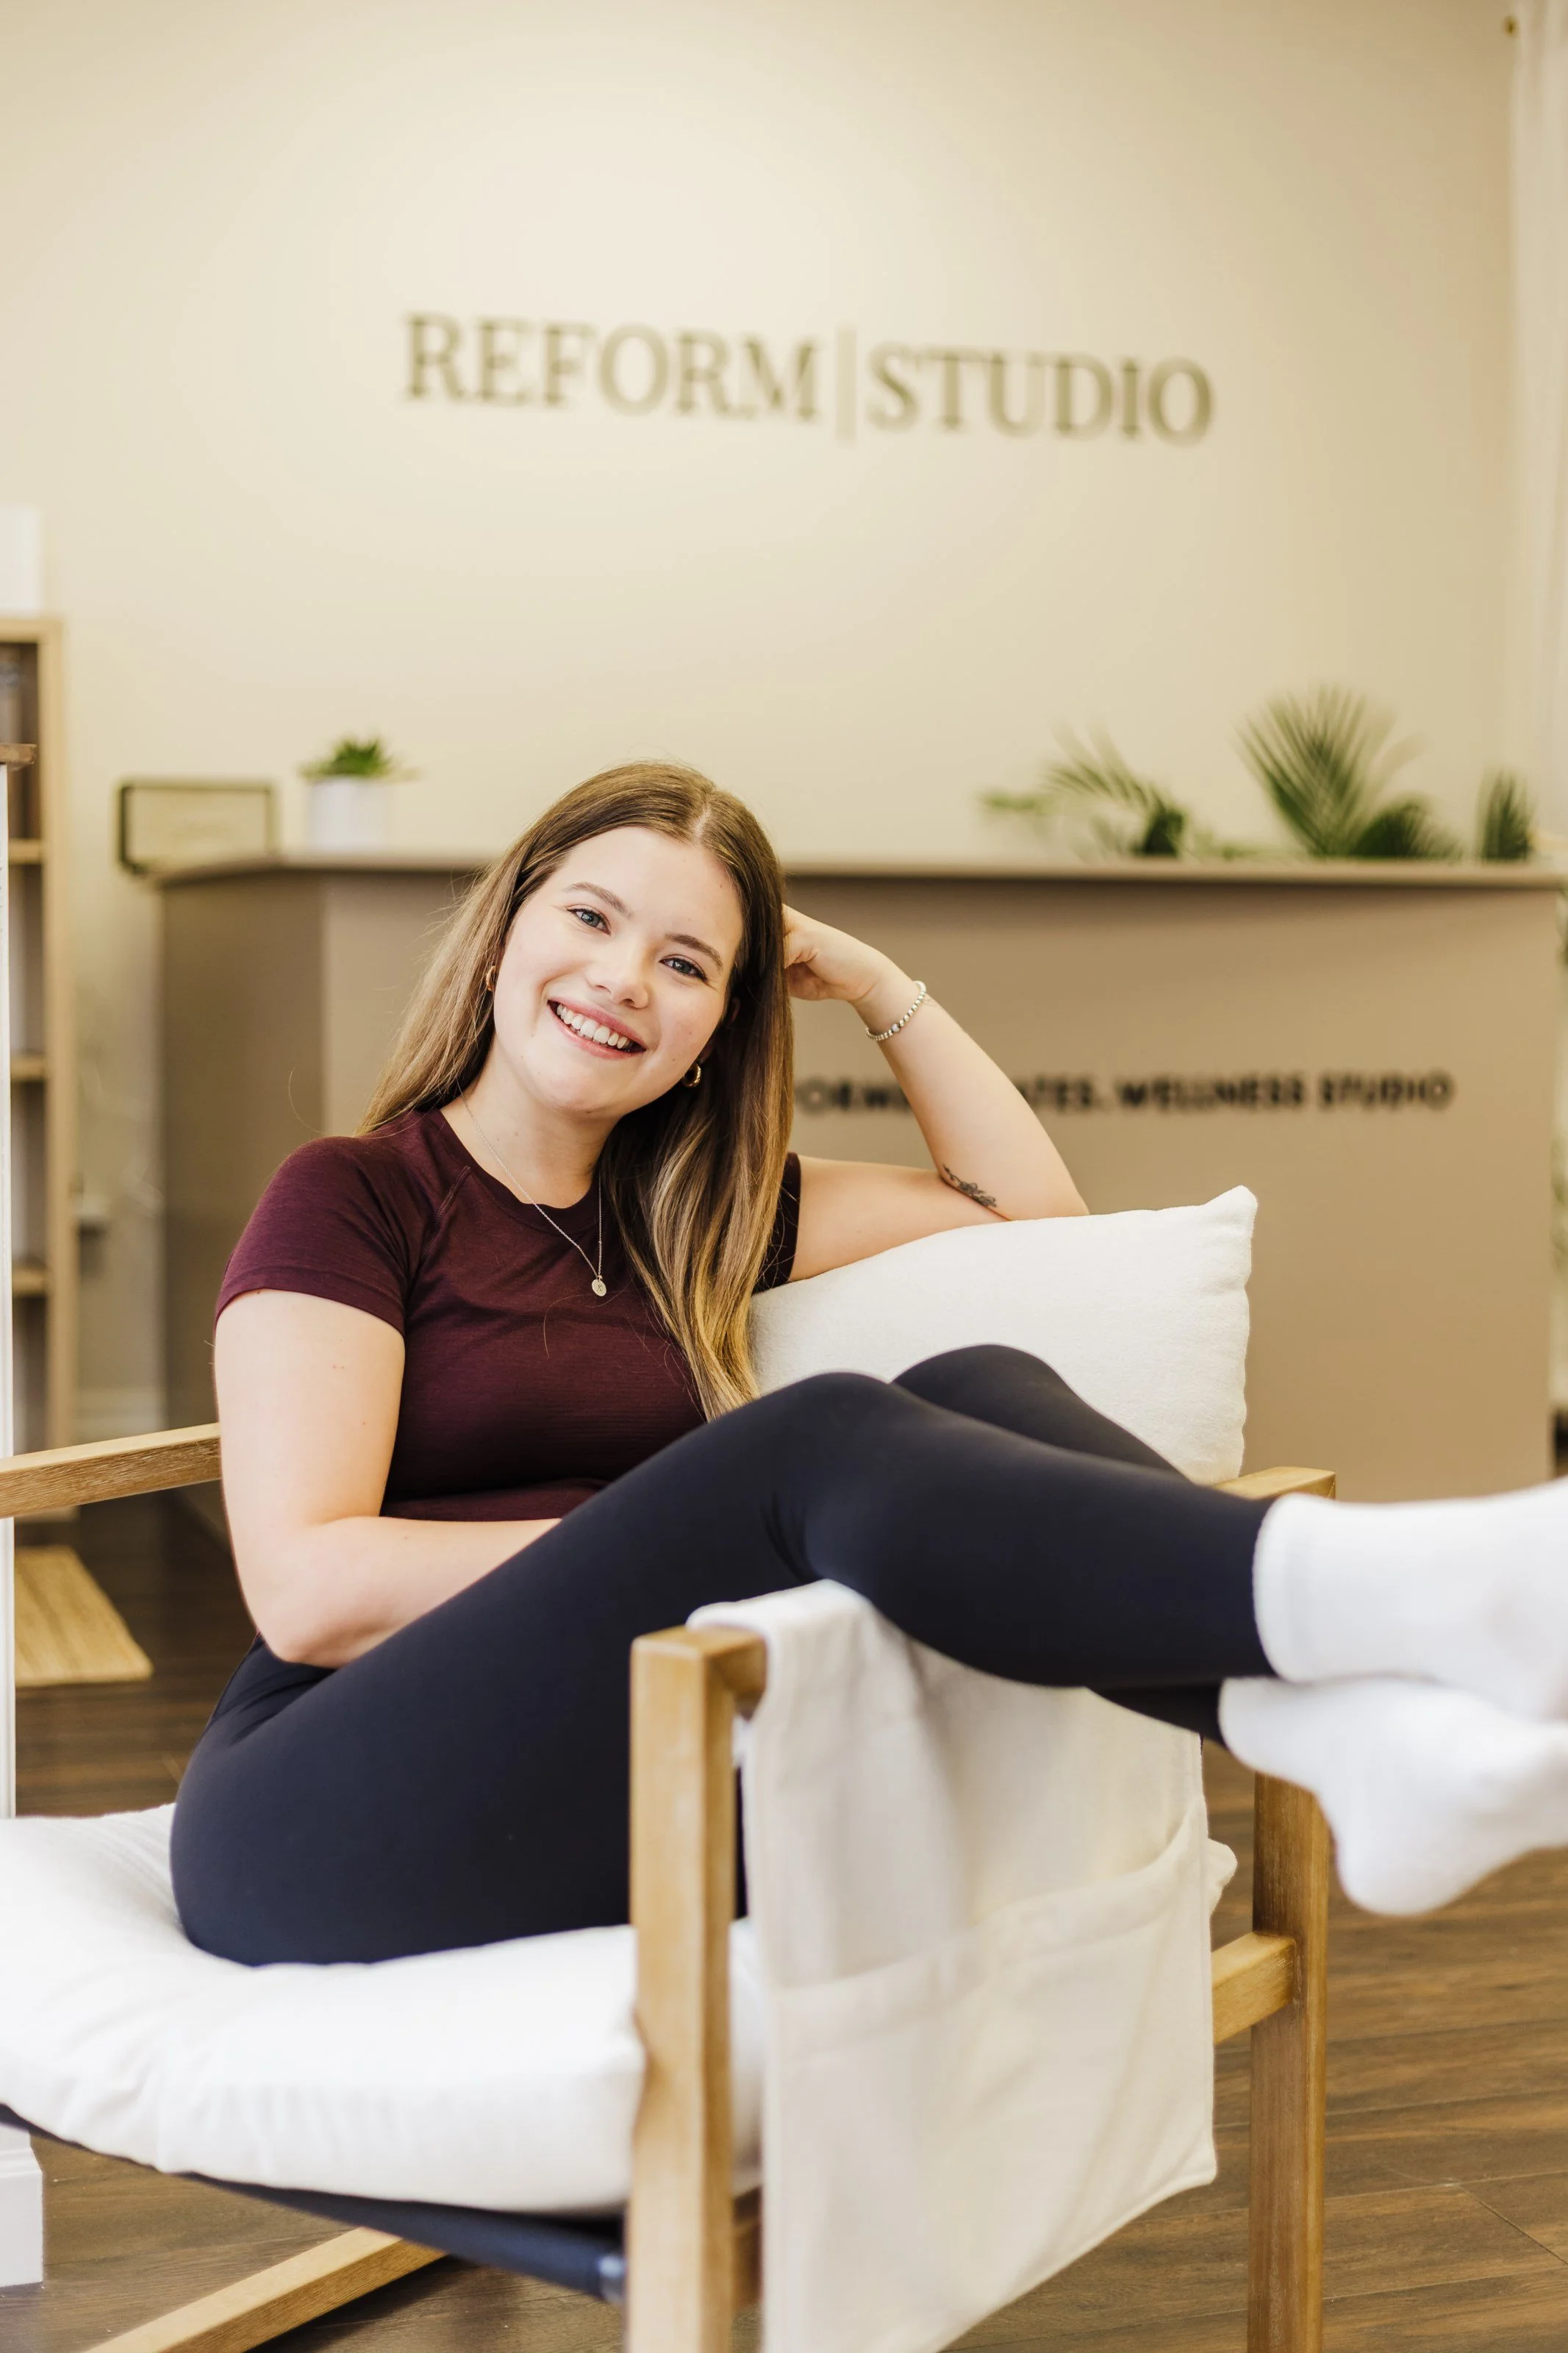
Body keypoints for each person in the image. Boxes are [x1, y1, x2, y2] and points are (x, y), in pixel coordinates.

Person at [171, 761, 1568, 1965]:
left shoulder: (691, 1220)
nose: (621, 978)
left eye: (687, 963)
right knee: (805, 1447)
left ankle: (1324, 1736)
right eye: (590, 918)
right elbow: (309, 1592)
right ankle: (1412, 1590)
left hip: (621, 1754)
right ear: (500, 940)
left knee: (981, 1377)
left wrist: (879, 987)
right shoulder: (354, 1193)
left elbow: (1028, 1223)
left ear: (718, 1031)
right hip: (325, 1806)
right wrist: (663, 1543)